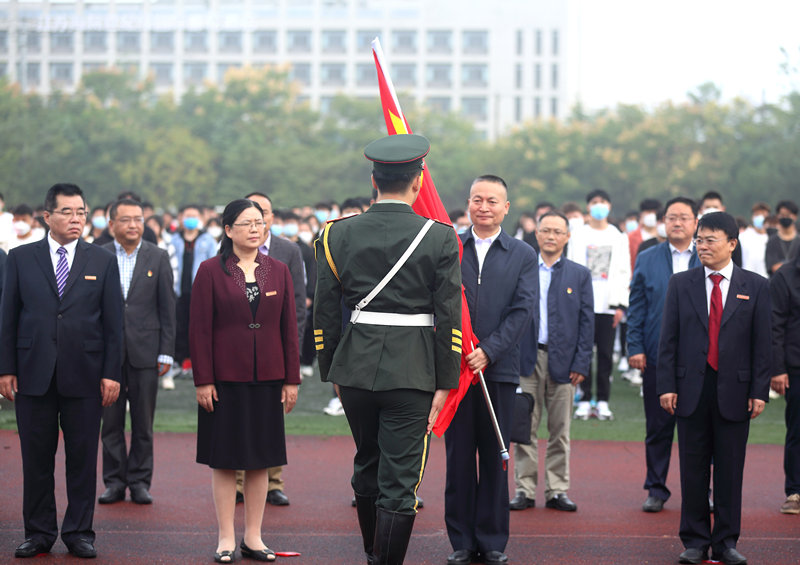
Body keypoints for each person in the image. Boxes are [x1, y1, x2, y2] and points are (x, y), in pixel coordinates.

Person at [314, 134, 462, 564]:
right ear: (418, 182)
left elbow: (325, 315)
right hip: (413, 374)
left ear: (373, 180)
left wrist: (333, 371)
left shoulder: (335, 234)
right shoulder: (439, 237)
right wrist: (446, 380)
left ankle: (370, 552)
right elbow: (448, 318)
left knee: (367, 462)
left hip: (355, 371)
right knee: (400, 480)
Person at [0, 183, 123, 559]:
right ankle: (38, 533)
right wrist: (5, 368)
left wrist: (111, 372)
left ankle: (79, 533)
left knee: (82, 458)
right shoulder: (20, 258)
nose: (76, 219)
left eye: (81, 212)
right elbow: (8, 317)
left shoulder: (101, 260)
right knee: (36, 459)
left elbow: (113, 323)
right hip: (32, 372)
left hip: (85, 374)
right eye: (67, 212)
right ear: (47, 216)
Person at [657, 211, 771, 565]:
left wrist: (759, 390)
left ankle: (725, 542)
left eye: (710, 240)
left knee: (729, 469)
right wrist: (666, 385)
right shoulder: (681, 283)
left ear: (732, 244)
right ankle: (694, 540)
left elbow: (762, 344)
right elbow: (668, 339)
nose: (702, 246)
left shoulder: (756, 286)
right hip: (690, 388)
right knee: (692, 468)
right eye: (699, 240)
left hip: (735, 392)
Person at [189, 198, 300, 563]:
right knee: (224, 459)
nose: (255, 229)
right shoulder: (209, 270)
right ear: (228, 230)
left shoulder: (279, 269)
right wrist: (203, 380)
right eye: (247, 223)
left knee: (260, 459)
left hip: (268, 378)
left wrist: (291, 379)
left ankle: (253, 536)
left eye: (260, 222)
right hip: (224, 379)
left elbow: (288, 328)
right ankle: (225, 537)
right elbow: (200, 329)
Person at [445, 174, 538, 565]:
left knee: (496, 455)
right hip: (456, 371)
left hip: (497, 371)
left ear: (506, 207)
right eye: (476, 199)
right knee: (459, 459)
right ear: (468, 203)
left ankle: (493, 539)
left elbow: (522, 311)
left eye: (491, 201)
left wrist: (489, 351)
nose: (483, 207)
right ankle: (462, 542)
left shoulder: (521, 254)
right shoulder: (449, 247)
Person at [511, 211, 593, 513]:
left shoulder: (579, 274)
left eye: (558, 232)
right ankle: (525, 489)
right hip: (525, 360)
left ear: (567, 237)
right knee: (524, 428)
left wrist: (582, 363)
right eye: (546, 230)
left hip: (564, 361)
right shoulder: (522, 269)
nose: (551, 236)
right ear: (537, 234)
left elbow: (587, 323)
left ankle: (558, 489)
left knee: (560, 430)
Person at [98, 199, 176, 506]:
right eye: (126, 220)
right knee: (111, 422)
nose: (133, 225)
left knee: (143, 423)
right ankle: (114, 482)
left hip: (147, 353)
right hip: (108, 356)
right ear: (112, 225)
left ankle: (140, 482)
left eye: (138, 219)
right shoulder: (99, 255)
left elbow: (167, 307)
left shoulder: (157, 257)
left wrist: (166, 351)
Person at [627, 197, 700, 514]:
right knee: (658, 426)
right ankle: (656, 488)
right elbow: (637, 305)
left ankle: (702, 491)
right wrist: (635, 347)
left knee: (699, 429)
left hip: (700, 357)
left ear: (696, 222)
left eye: (684, 217)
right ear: (662, 222)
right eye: (671, 218)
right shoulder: (648, 257)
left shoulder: (709, 257)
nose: (677, 223)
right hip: (658, 355)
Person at [244, 191, 307, 507]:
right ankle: (239, 481)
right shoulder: (228, 250)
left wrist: (290, 351)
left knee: (271, 417)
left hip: (274, 349)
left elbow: (297, 305)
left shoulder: (288, 251)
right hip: (238, 350)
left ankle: (273, 483)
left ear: (271, 217)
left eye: (263, 213)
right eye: (251, 213)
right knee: (239, 415)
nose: (258, 219)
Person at [567, 189, 630, 421]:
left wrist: (620, 304)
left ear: (609, 207)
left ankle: (602, 400)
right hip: (583, 304)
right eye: (594, 202)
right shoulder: (578, 235)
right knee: (583, 354)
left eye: (603, 202)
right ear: (588, 207)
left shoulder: (617, 236)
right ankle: (583, 399)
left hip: (608, 305)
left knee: (604, 354)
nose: (599, 206)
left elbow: (624, 271)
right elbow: (571, 267)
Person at [169, 204, 218, 379]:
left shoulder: (208, 240)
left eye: (194, 215)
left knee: (199, 327)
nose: (190, 219)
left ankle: (197, 362)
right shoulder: (174, 239)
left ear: (201, 219)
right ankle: (179, 361)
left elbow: (214, 263)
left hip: (201, 290)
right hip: (179, 291)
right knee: (179, 325)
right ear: (181, 218)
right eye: (187, 215)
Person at [770, 249, 800, 514]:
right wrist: (777, 368)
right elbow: (774, 325)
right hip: (796, 364)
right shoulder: (785, 276)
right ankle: (795, 491)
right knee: (798, 429)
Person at [765, 200, 799, 276]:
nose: (785, 217)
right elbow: (773, 267)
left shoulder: (798, 241)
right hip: (778, 284)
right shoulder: (772, 241)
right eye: (782, 214)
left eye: (788, 215)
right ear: (777, 216)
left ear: (795, 217)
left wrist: (783, 266)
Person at [738, 202, 771, 278]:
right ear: (752, 217)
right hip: (746, 278)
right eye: (757, 214)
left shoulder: (770, 238)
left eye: (763, 214)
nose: (760, 217)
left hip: (766, 279)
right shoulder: (743, 237)